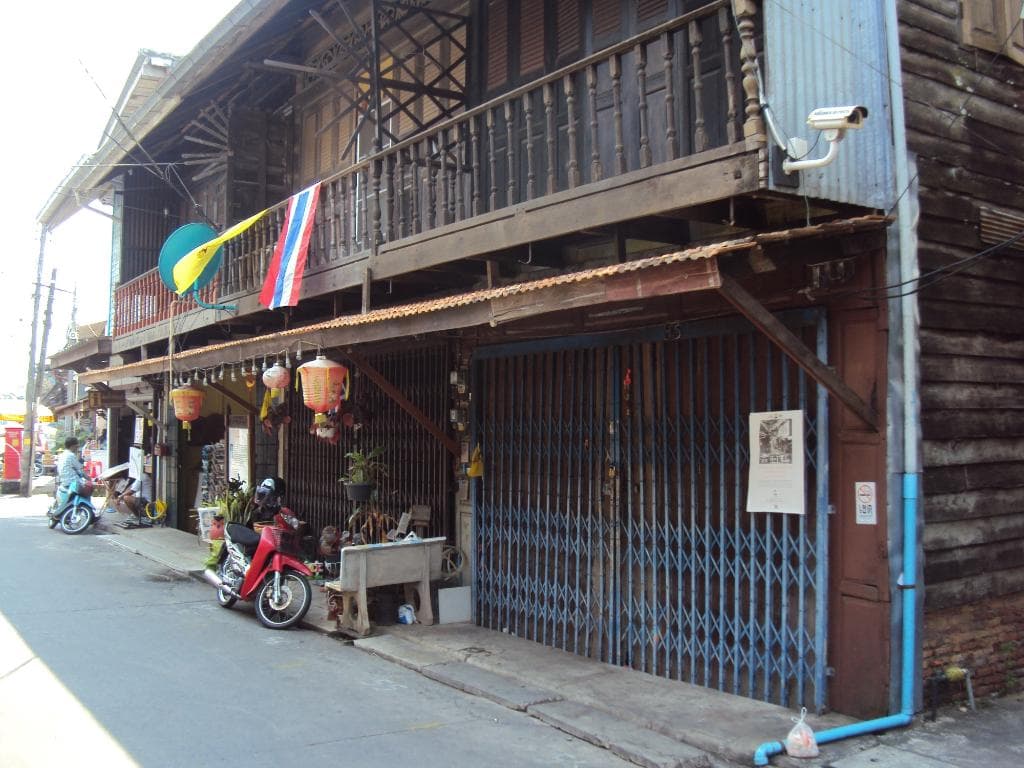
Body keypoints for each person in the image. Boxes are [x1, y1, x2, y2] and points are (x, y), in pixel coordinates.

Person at [56, 437, 86, 507]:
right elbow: (80, 469)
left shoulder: (61, 455)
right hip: (72, 482)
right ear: (72, 446)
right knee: (88, 488)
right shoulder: (71, 455)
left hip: (64, 481)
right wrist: (90, 479)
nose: (77, 449)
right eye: (76, 447)